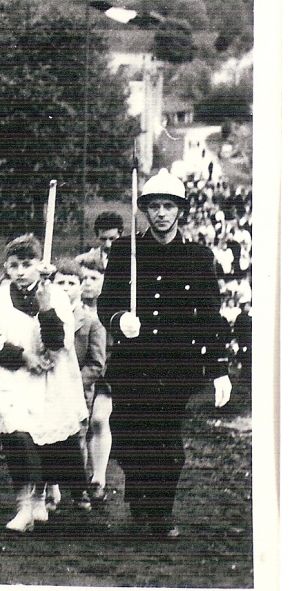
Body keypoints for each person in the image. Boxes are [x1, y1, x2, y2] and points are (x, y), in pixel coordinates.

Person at [98, 168, 232, 540]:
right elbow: (106, 302)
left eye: (168, 206)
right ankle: (141, 498)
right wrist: (118, 318)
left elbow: (211, 315)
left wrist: (218, 367)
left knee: (166, 441)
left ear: (179, 211)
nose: (160, 213)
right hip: (132, 363)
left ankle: (160, 513)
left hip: (175, 365)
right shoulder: (127, 250)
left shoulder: (197, 256)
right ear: (144, 210)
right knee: (127, 435)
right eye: (154, 206)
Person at [0, 235, 89, 533]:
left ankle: (39, 497)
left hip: (47, 381)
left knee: (46, 441)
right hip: (12, 380)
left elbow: (59, 341)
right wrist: (24, 356)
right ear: (7, 268)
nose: (21, 271)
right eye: (14, 266)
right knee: (19, 439)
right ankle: (23, 507)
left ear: (39, 265)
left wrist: (46, 308)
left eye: (27, 264)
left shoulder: (54, 296)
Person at [52, 257, 108, 505]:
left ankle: (79, 489)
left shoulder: (91, 321)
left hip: (77, 390)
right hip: (48, 385)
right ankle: (48, 490)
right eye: (60, 282)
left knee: (76, 439)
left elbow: (96, 363)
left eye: (71, 283)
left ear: (80, 286)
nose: (65, 288)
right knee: (46, 436)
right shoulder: (46, 315)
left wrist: (75, 381)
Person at [74, 251, 113, 502]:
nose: (88, 283)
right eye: (84, 278)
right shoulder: (72, 307)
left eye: (94, 277)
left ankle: (99, 476)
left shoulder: (109, 307)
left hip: (108, 370)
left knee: (98, 419)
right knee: (78, 425)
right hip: (81, 371)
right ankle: (79, 476)